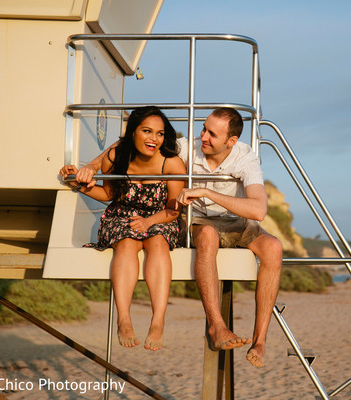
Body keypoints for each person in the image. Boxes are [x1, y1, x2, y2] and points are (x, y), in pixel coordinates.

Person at [76, 107, 283, 368]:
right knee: (206, 236)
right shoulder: (189, 147)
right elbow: (135, 140)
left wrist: (207, 193)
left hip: (238, 222)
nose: (203, 136)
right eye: (204, 128)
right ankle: (216, 327)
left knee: (274, 248)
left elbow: (259, 210)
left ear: (231, 142)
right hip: (203, 223)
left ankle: (260, 340)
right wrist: (94, 165)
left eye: (212, 134)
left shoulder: (245, 159)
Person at [60, 106, 186, 351]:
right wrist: (78, 183)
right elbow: (108, 194)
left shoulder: (171, 164)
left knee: (158, 242)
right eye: (147, 131)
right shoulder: (115, 157)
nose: (154, 139)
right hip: (121, 215)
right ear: (133, 132)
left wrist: (149, 222)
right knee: (127, 243)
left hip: (160, 217)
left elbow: (174, 210)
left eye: (160, 133)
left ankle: (158, 321)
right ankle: (124, 318)